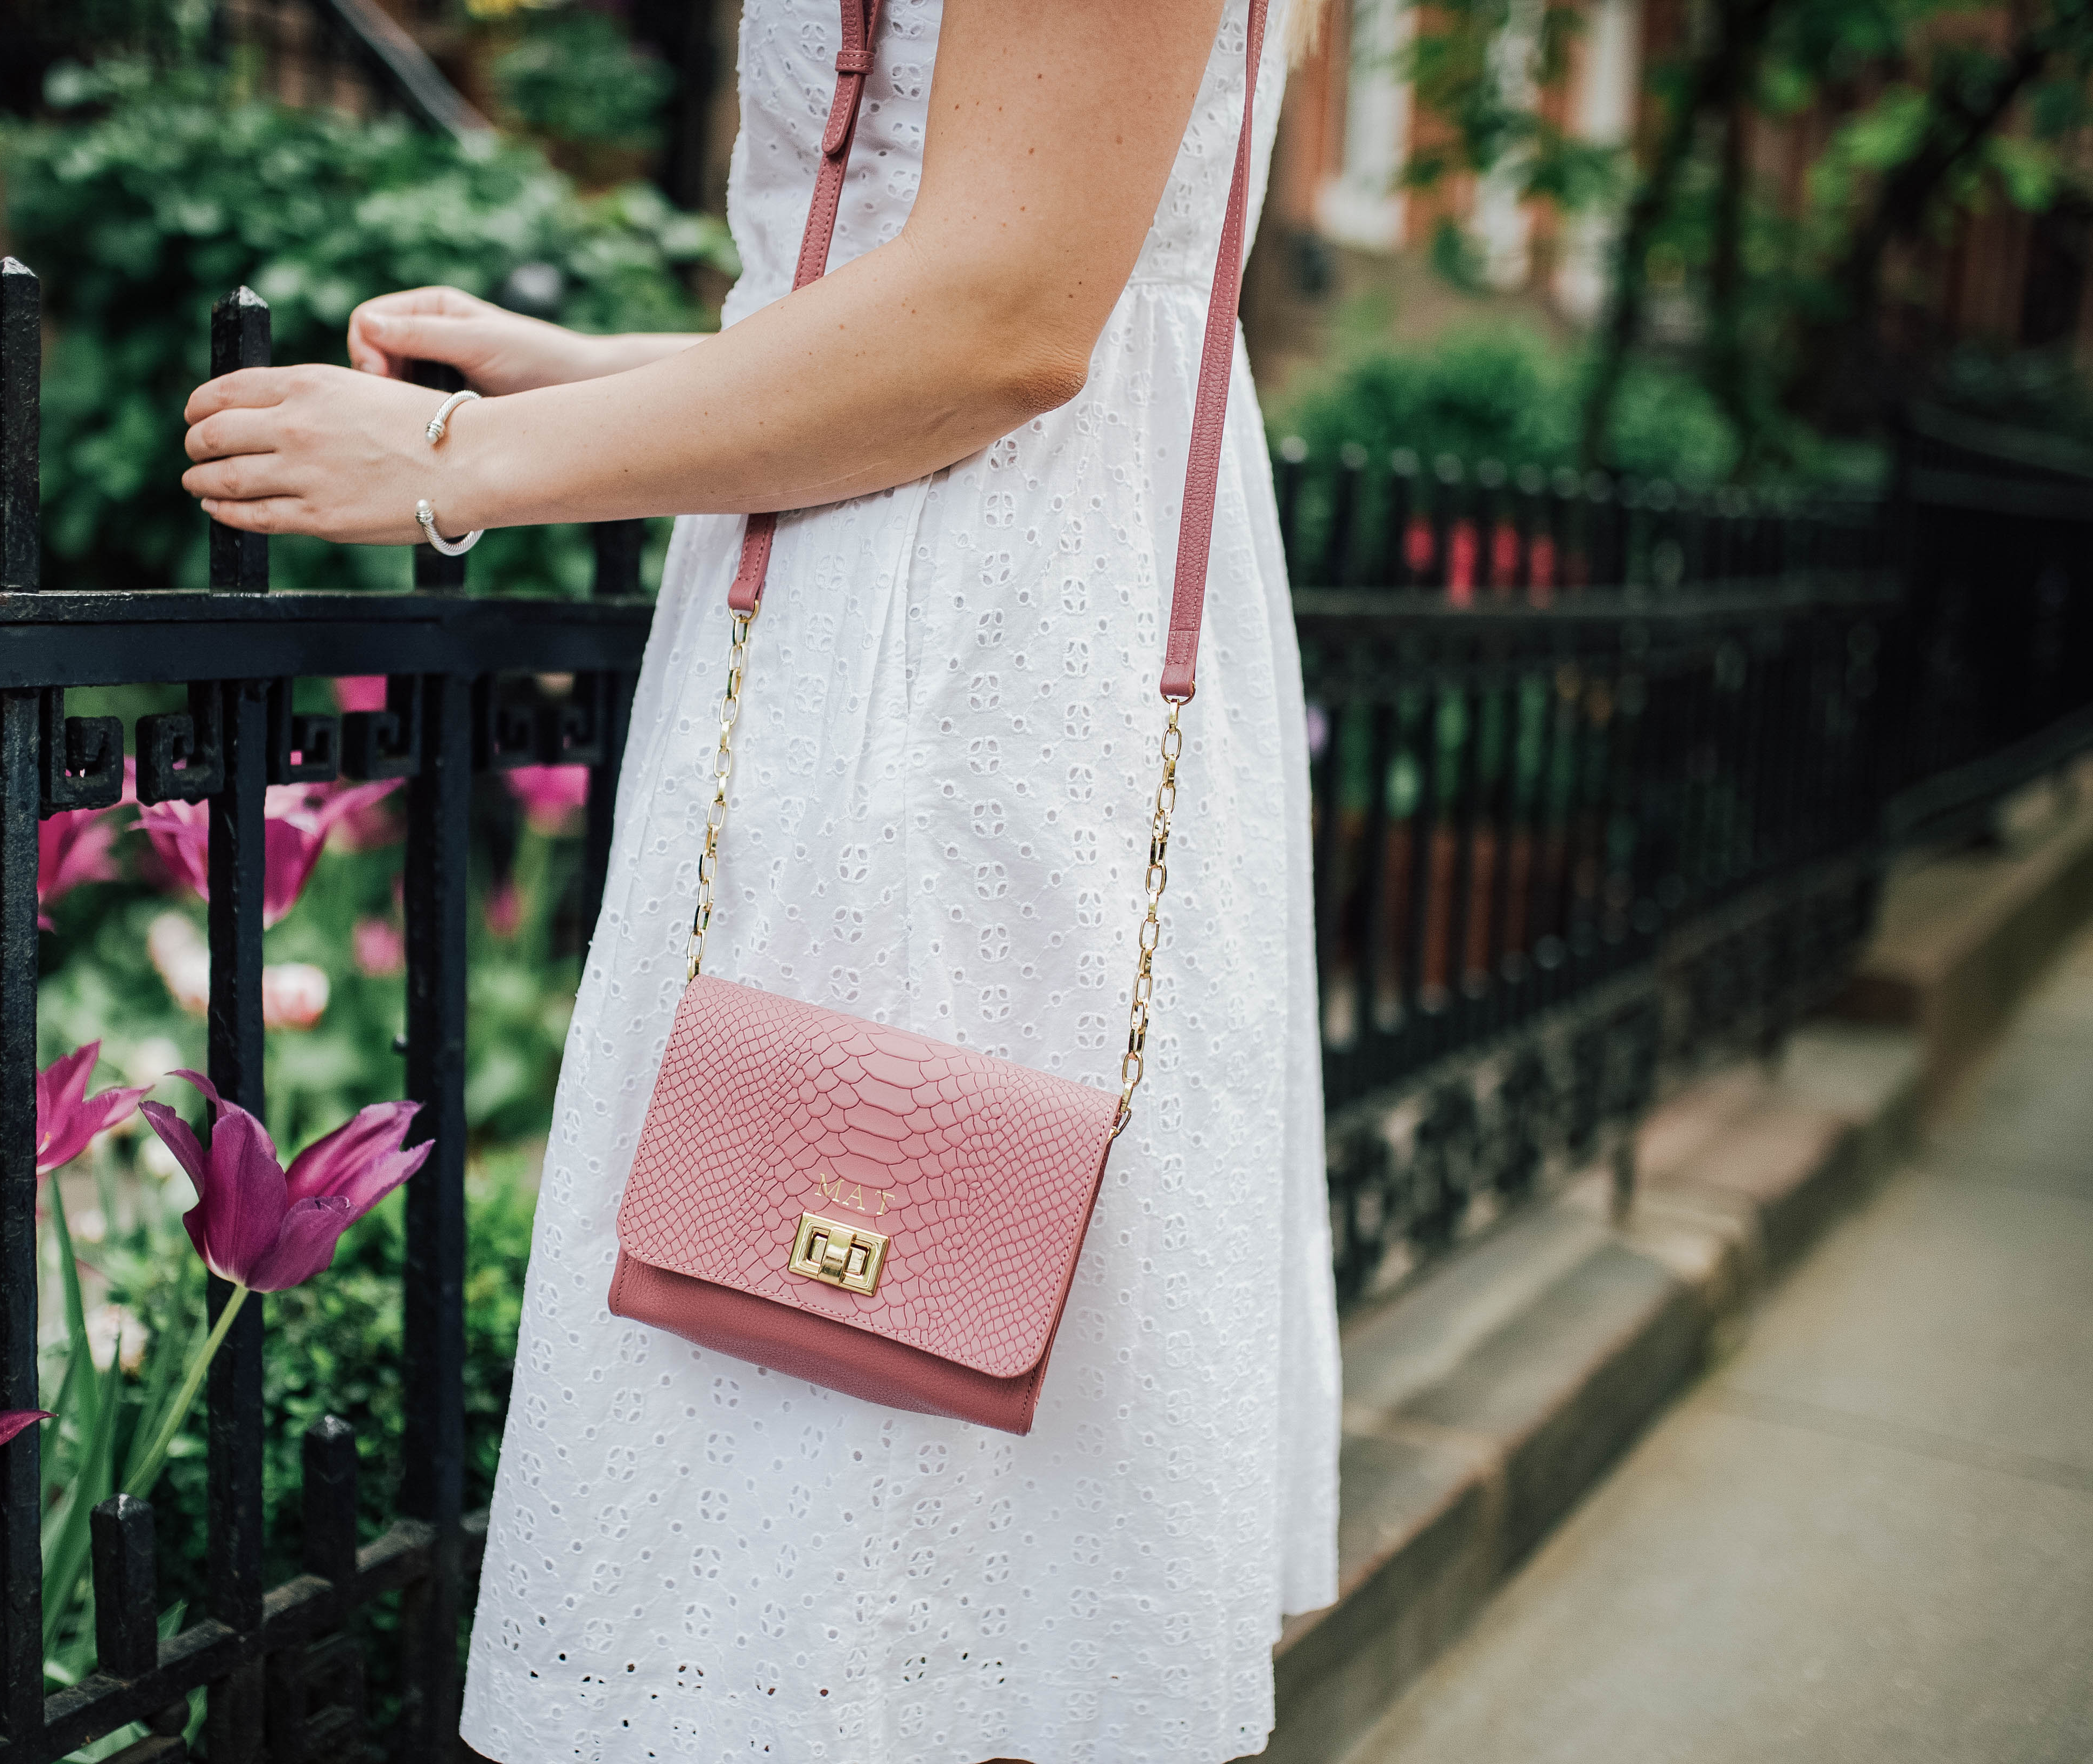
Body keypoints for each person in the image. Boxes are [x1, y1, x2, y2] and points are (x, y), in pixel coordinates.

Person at [178, 1, 1339, 1757]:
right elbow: (962, 273)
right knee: (870, 1509)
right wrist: (603, 374)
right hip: (942, 634)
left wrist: (453, 467)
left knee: (859, 1495)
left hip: (958, 699)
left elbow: (1009, 323)